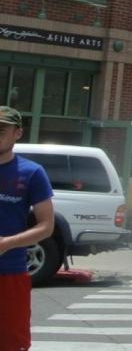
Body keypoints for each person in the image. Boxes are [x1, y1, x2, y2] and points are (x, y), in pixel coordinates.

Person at [0, 106, 54, 351]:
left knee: (11, 344)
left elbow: (46, 226)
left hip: (9, 273)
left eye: (1, 130)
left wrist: (6, 243)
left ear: (17, 133)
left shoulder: (32, 173)